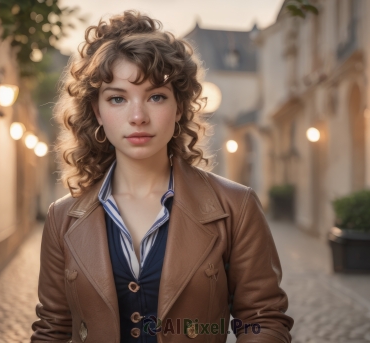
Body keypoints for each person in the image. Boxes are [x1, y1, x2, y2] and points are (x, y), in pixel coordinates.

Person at [31, 10, 294, 343]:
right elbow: (51, 329)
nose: (138, 116)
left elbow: (263, 321)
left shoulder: (236, 207)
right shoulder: (62, 218)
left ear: (180, 107)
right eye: (117, 99)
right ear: (97, 111)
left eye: (156, 97)